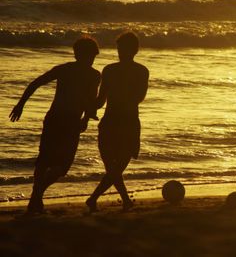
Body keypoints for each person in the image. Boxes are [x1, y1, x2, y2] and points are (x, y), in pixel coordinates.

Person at [9, 36, 101, 214]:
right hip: (70, 121)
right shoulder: (94, 75)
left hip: (54, 118)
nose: (91, 60)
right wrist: (86, 119)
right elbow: (90, 102)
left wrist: (21, 104)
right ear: (86, 55)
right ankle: (37, 195)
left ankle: (36, 198)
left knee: (44, 160)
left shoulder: (64, 69)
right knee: (62, 165)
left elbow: (36, 83)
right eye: (91, 56)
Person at [86, 32, 149, 212]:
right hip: (113, 121)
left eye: (123, 48)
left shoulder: (137, 71)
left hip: (125, 122)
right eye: (119, 48)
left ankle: (95, 199)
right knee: (113, 167)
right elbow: (100, 100)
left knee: (117, 166)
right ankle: (120, 200)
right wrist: (88, 108)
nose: (120, 52)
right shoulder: (111, 70)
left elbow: (139, 97)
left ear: (134, 50)